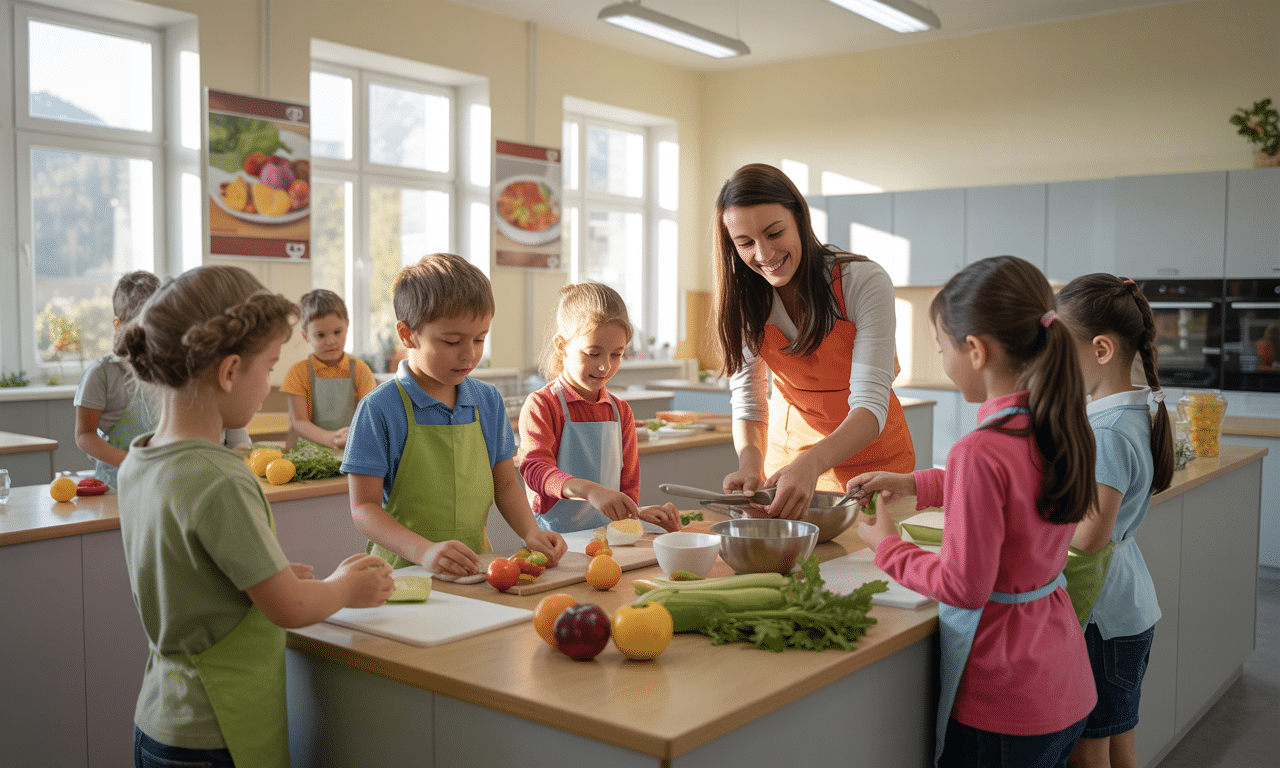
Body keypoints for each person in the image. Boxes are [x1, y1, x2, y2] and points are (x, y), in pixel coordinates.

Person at [113, 265, 394, 768]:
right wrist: (343, 589)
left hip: (159, 720)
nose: (268, 385)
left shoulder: (140, 459)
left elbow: (191, 577)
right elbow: (288, 609)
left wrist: (272, 577)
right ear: (228, 371)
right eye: (266, 368)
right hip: (218, 730)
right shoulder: (220, 477)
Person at [850, 255, 1097, 768]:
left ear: (976, 350)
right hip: (1063, 677)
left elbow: (965, 586)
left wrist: (886, 546)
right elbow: (1010, 488)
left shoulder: (981, 450)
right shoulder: (1058, 425)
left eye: (942, 348)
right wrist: (914, 483)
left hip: (1005, 696)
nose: (943, 360)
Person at [712, 163, 914, 520]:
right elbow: (748, 400)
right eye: (745, 243)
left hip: (876, 464)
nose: (764, 254)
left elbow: (870, 406)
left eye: (775, 233)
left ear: (800, 219)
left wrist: (813, 463)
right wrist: (749, 463)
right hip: (791, 464)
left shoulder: (861, 282)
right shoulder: (744, 300)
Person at [344, 253, 567, 576]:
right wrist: (424, 551)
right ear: (408, 335)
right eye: (451, 341)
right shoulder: (379, 409)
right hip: (405, 572)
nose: (469, 354)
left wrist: (530, 532)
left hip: (477, 568)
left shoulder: (487, 401)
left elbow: (504, 483)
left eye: (480, 339)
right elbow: (364, 507)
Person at [1056, 274, 1173, 768]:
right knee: (1118, 740)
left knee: (1090, 750)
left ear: (1101, 349)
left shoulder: (1104, 433)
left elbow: (1089, 534)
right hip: (1129, 607)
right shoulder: (1133, 415)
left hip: (1103, 618)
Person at [517, 283, 681, 533]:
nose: (605, 366)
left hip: (607, 542)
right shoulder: (542, 405)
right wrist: (590, 490)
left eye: (616, 354)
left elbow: (628, 487)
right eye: (593, 353)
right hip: (555, 542)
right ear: (561, 346)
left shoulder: (620, 411)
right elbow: (536, 471)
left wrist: (639, 517)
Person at [74, 271, 251, 488]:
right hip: (123, 484)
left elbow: (234, 434)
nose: (149, 337)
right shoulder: (102, 373)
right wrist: (136, 463)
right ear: (118, 325)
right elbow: (85, 434)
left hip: (176, 481)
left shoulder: (179, 366)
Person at [280, 289, 377, 450]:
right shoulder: (298, 372)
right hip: (308, 452)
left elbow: (368, 417)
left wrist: (350, 437)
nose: (331, 341)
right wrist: (332, 439)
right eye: (320, 335)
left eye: (337, 332)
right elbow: (299, 421)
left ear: (347, 326)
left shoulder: (361, 370)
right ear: (306, 336)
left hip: (352, 447)